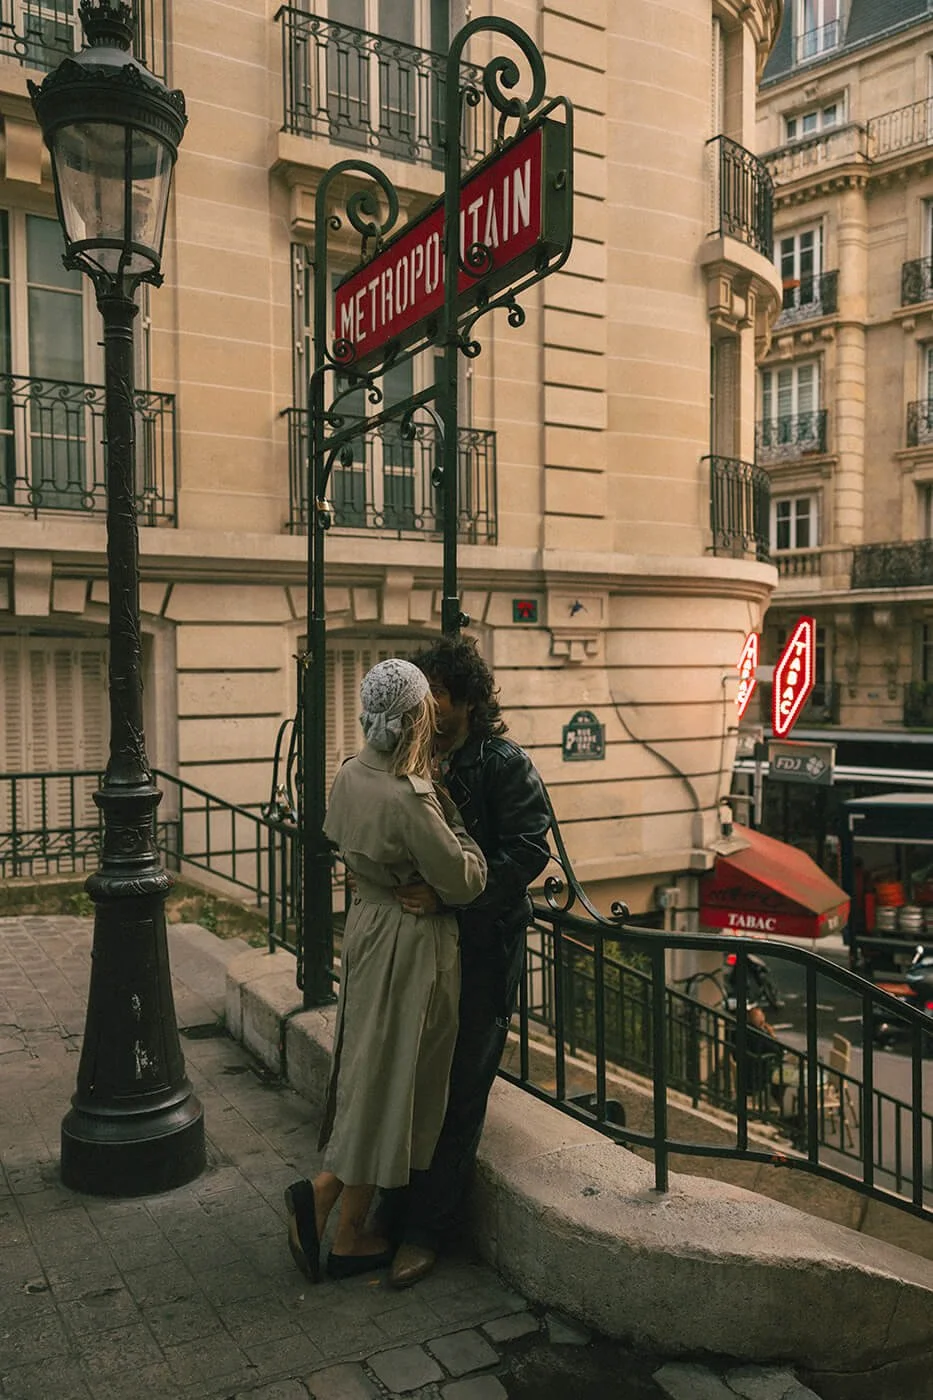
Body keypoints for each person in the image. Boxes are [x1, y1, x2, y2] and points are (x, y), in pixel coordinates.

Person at [283, 658, 487, 1283]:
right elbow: (465, 879)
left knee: (370, 1072)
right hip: (408, 943)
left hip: (368, 928)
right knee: (391, 1080)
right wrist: (465, 840)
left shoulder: (349, 773)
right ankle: (322, 1198)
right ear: (417, 717)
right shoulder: (410, 800)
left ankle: (348, 1232)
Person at [383, 636, 552, 1289]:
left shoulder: (503, 763)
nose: (425, 711)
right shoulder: (416, 753)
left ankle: (425, 1231)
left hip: (482, 947)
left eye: (437, 699)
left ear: (471, 701)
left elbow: (529, 853)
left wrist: (456, 895)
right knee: (412, 1080)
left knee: (458, 1091)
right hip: (422, 944)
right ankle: (393, 1212)